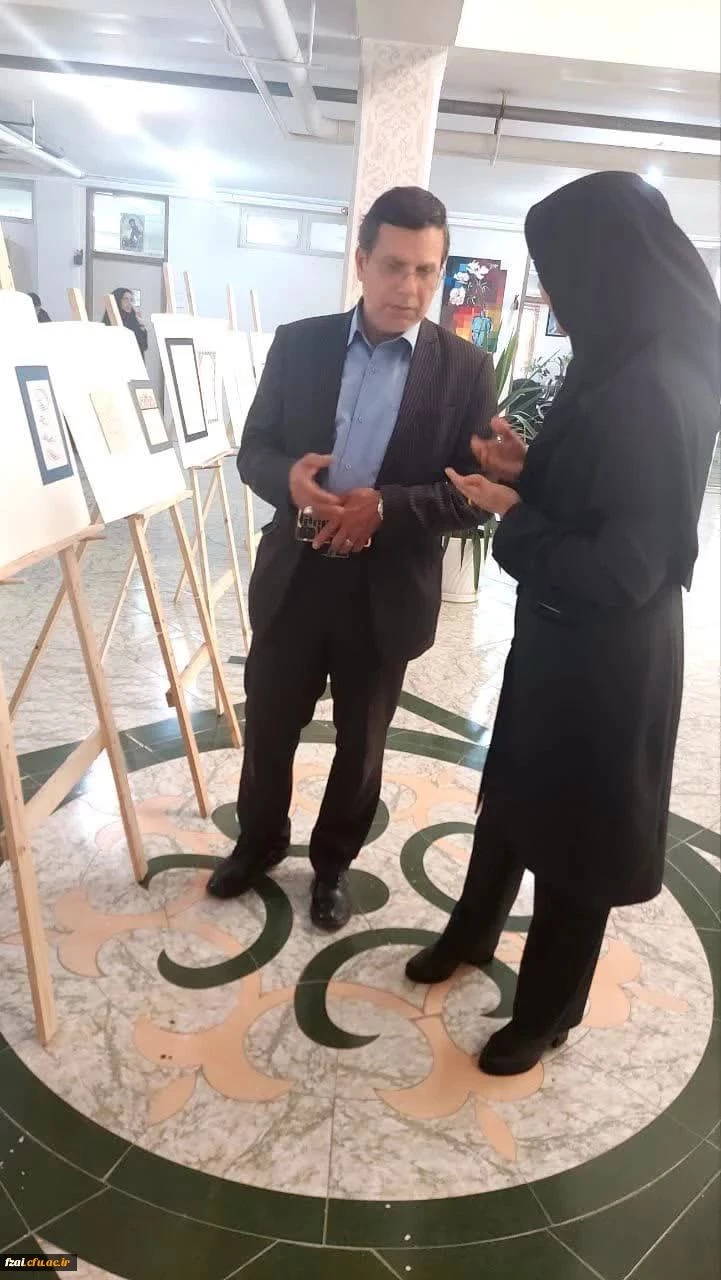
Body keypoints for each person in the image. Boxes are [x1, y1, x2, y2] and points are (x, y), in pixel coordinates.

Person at [405, 171, 721, 1076]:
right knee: (513, 793)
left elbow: (623, 567)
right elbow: (597, 491)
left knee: (576, 839)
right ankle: (472, 933)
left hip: (610, 658)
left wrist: (513, 512)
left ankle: (547, 1013)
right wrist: (529, 469)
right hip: (561, 636)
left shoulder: (657, 387)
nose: (549, 295)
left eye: (556, 273)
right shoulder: (614, 360)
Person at [207, 185, 497, 930]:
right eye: (394, 266)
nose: (409, 287)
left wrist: (388, 507)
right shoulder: (299, 344)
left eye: (426, 270)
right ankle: (258, 842)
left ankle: (333, 865)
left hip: (386, 588)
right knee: (270, 725)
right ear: (362, 261)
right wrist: (290, 482)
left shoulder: (464, 369)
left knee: (361, 743)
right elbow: (255, 449)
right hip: (297, 574)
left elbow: (472, 495)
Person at [103, 287, 148, 356]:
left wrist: (141, 324)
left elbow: (144, 346)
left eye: (131, 300)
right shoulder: (111, 319)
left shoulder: (134, 319)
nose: (129, 303)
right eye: (125, 299)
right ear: (117, 300)